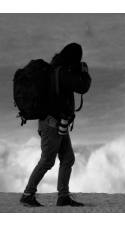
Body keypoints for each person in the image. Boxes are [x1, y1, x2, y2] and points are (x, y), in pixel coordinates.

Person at [20, 43, 91, 207]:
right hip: (51, 125)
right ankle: (28, 194)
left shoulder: (56, 69)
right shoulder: (62, 73)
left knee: (68, 158)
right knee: (47, 160)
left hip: (58, 123)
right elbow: (82, 86)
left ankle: (63, 197)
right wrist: (85, 72)